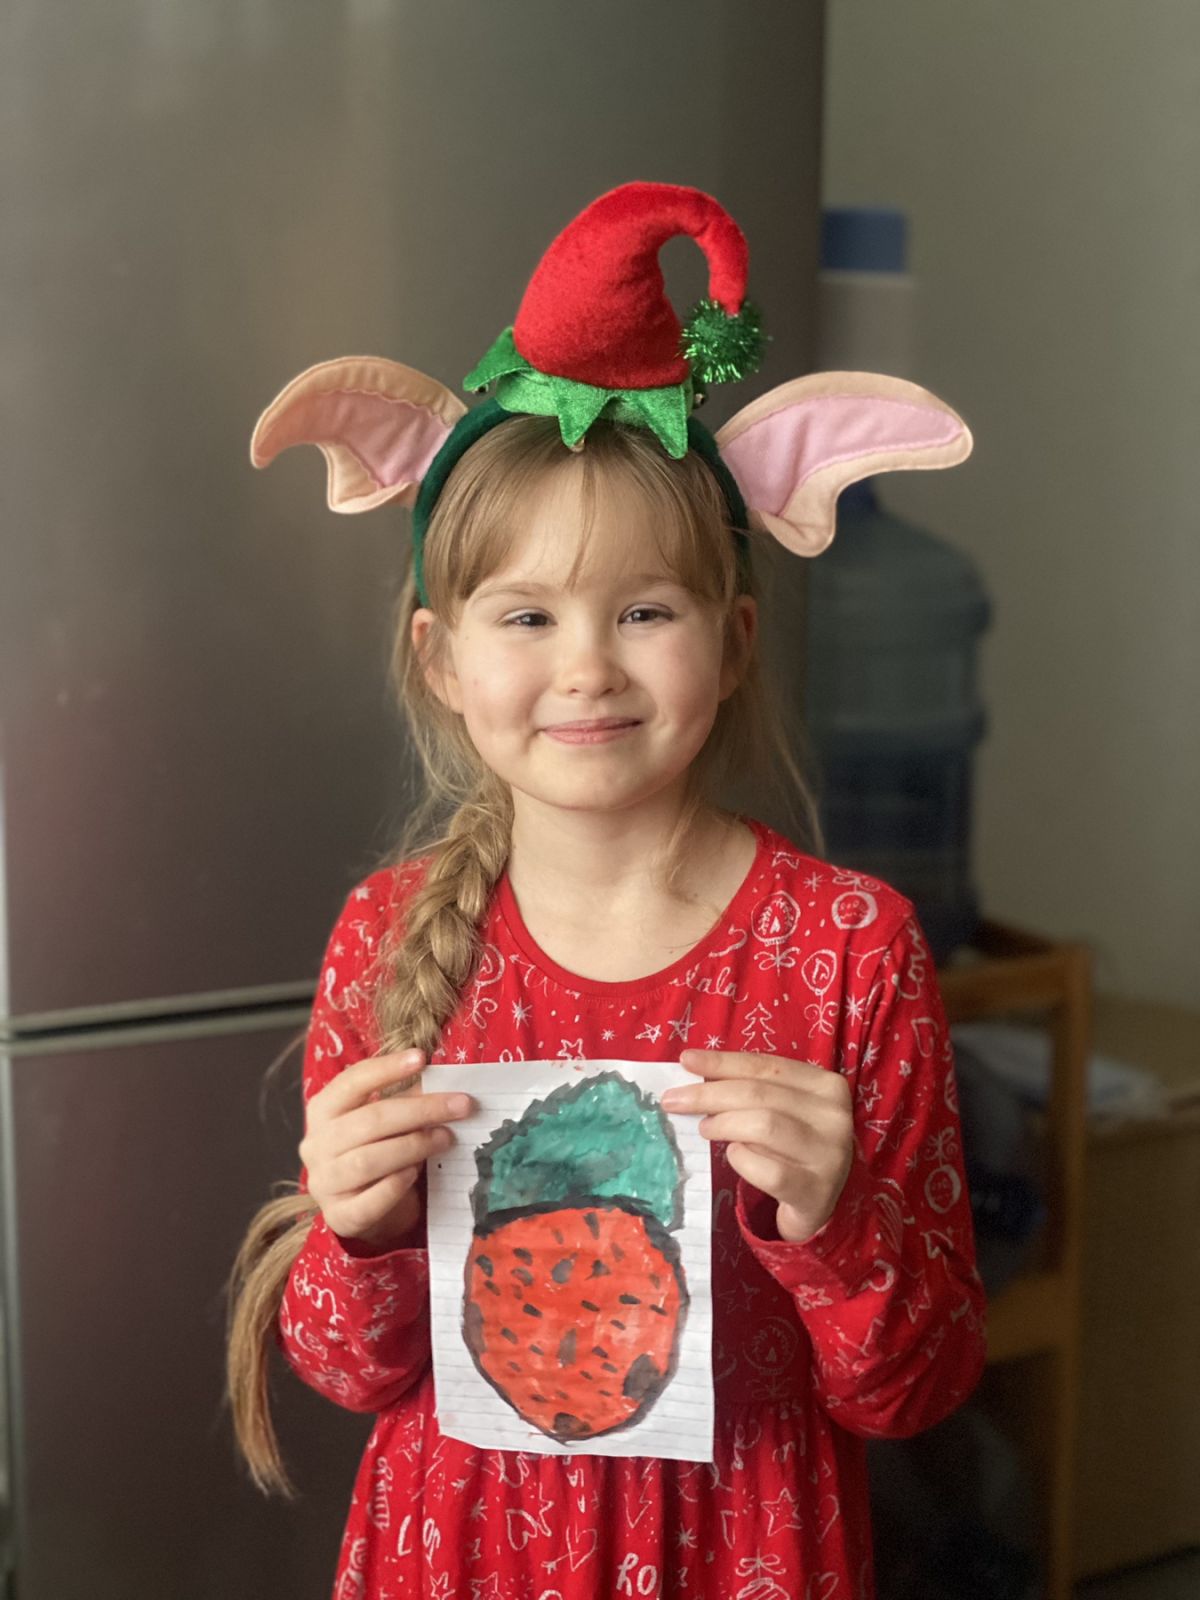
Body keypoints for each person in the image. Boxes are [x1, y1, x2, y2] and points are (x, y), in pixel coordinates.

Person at [227, 182, 986, 1600]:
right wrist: (356, 1229)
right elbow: (343, 1370)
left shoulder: (849, 948)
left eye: (645, 611)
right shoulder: (388, 940)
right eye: (527, 615)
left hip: (742, 1553)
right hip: (457, 1554)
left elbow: (918, 1390)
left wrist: (836, 1227)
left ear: (735, 642)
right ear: (443, 659)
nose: (586, 667)